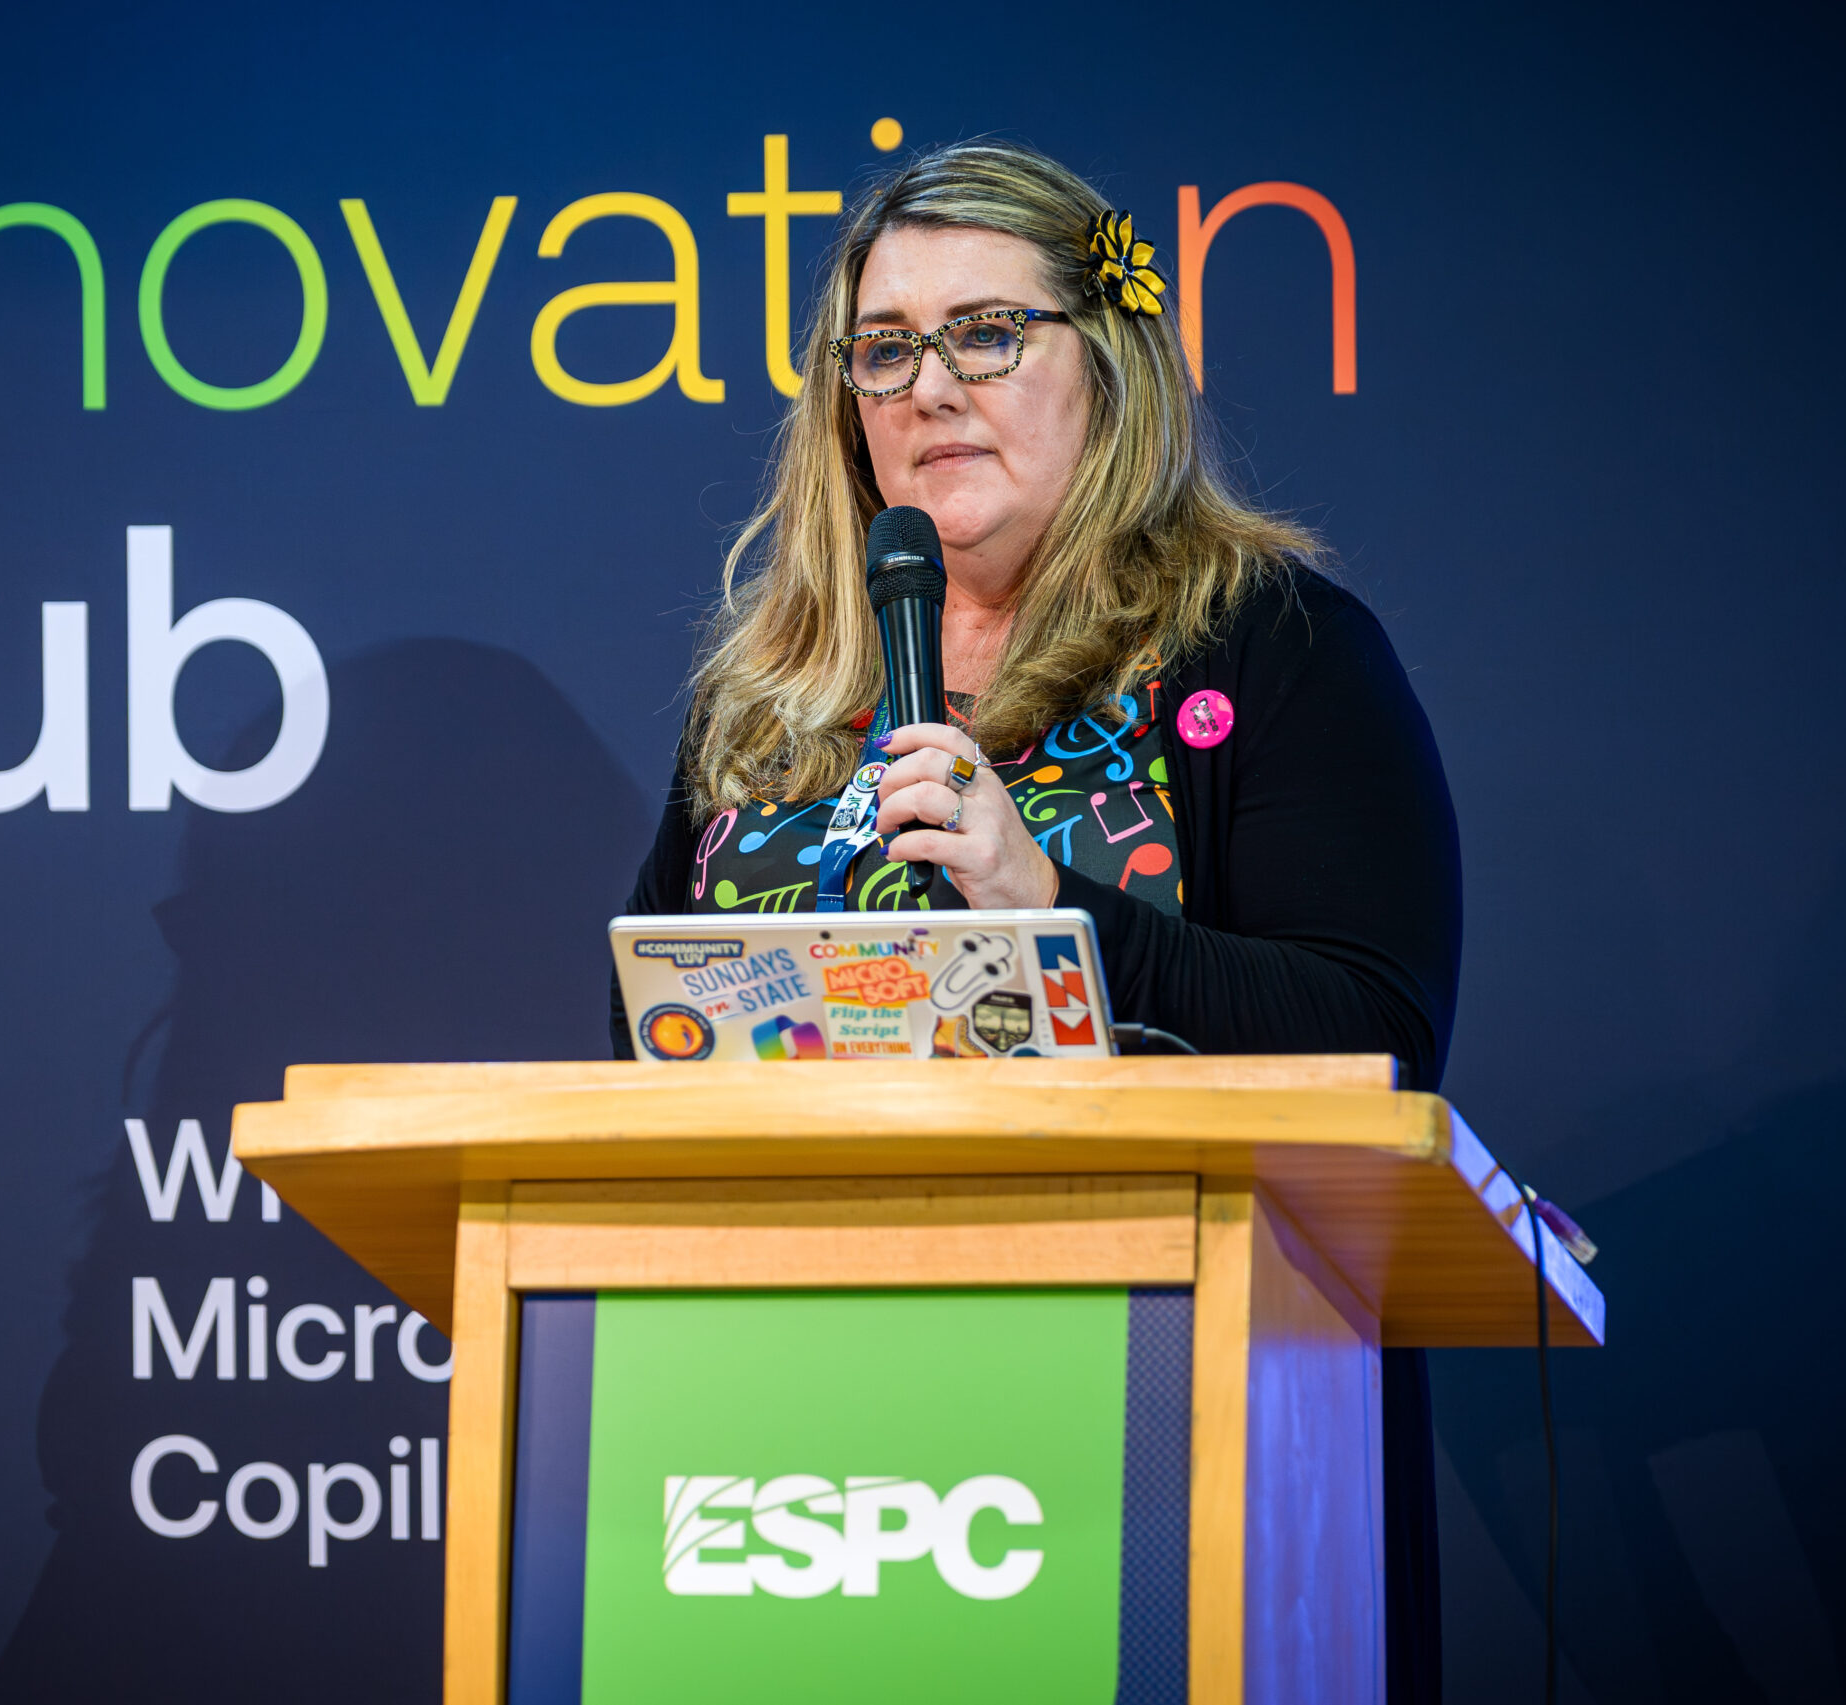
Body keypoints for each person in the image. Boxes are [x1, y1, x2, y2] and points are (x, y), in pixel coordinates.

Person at [609, 139, 1458, 1701]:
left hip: (1152, 1420)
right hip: (780, 1453)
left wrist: (1050, 908)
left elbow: (1376, 1040)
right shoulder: (763, 709)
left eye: (987, 333)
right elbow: (640, 1049)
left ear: (1108, 364)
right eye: (884, 349)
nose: (930, 386)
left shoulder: (1270, 648)